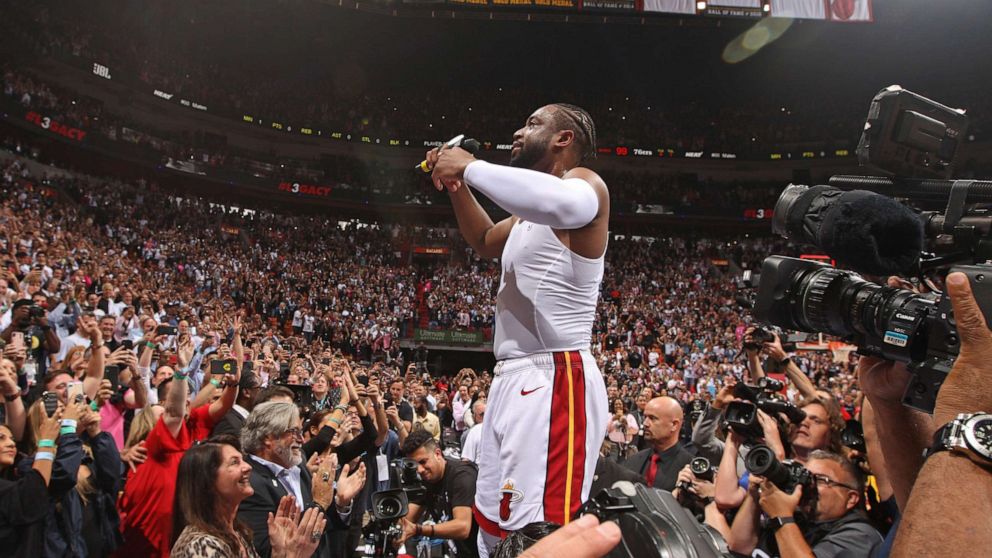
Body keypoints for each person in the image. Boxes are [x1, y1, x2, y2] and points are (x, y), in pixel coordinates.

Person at [426, 103, 609, 551]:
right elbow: (484, 240)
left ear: (563, 139)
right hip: (511, 376)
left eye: (532, 124)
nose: (517, 130)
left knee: (536, 533)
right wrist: (456, 186)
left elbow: (563, 204)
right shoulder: (527, 213)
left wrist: (468, 166)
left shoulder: (584, 184)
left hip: (555, 375)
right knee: (494, 523)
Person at [236, 401, 368, 557]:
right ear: (268, 437)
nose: (301, 439)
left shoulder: (299, 467)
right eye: (294, 432)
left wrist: (340, 503)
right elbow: (265, 549)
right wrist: (320, 503)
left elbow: (326, 525)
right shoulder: (250, 482)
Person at [170, 435, 326, 558]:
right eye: (234, 463)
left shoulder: (239, 533)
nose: (248, 467)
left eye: (242, 460)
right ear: (207, 480)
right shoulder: (202, 544)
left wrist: (280, 553)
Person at [727, 450, 882, 557]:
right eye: (805, 475)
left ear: (851, 499)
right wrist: (754, 496)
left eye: (820, 479)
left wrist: (782, 518)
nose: (808, 485)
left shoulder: (861, 536)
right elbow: (739, 548)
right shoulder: (797, 518)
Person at [395, 430, 479, 558]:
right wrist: (396, 531)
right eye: (415, 465)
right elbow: (407, 521)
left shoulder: (462, 475)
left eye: (423, 462)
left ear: (438, 453)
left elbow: (463, 527)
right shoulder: (427, 480)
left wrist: (418, 530)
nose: (420, 470)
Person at [0, 405, 64, 556]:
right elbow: (33, 498)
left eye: (12, 438)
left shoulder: (13, 478)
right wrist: (47, 441)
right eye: (1, 438)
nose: (11, 444)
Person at [622, 396, 694, 491]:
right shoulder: (633, 462)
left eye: (653, 418)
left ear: (674, 425)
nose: (645, 423)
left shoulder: (689, 469)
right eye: (645, 417)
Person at [460, 399, 486, 464]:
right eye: (482, 415)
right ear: (473, 416)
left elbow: (466, 461)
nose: (485, 417)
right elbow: (466, 460)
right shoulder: (470, 433)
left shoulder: (498, 429)